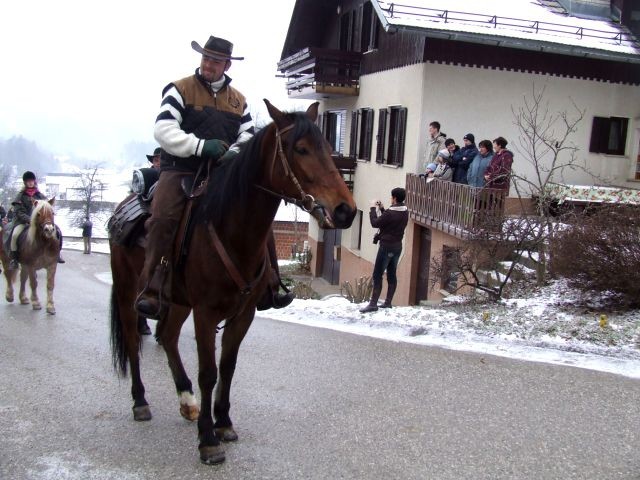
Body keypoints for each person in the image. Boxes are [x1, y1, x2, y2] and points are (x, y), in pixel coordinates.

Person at [135, 35, 293, 320]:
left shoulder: (239, 101)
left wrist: (235, 152)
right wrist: (199, 146)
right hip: (180, 169)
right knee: (162, 220)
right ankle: (154, 285)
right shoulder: (179, 89)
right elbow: (164, 129)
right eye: (206, 58)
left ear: (226, 65)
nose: (209, 64)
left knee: (258, 217)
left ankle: (271, 283)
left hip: (223, 172)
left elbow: (247, 135)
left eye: (215, 60)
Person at [360, 187, 409, 313]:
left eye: (391, 197)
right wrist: (382, 208)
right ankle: (388, 303)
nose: (390, 199)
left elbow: (375, 223)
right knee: (392, 274)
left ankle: (373, 304)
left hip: (386, 246)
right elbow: (389, 219)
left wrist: (372, 208)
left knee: (377, 274)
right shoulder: (404, 211)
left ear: (394, 198)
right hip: (397, 246)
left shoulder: (391, 213)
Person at [8, 171, 65, 269]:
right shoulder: (20, 196)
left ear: (34, 182)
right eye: (28, 181)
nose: (30, 183)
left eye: (32, 181)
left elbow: (47, 207)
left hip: (40, 222)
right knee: (15, 235)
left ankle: (57, 253)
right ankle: (14, 259)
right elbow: (19, 212)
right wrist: (30, 220)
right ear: (25, 182)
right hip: (23, 222)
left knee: (57, 231)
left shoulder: (40, 195)